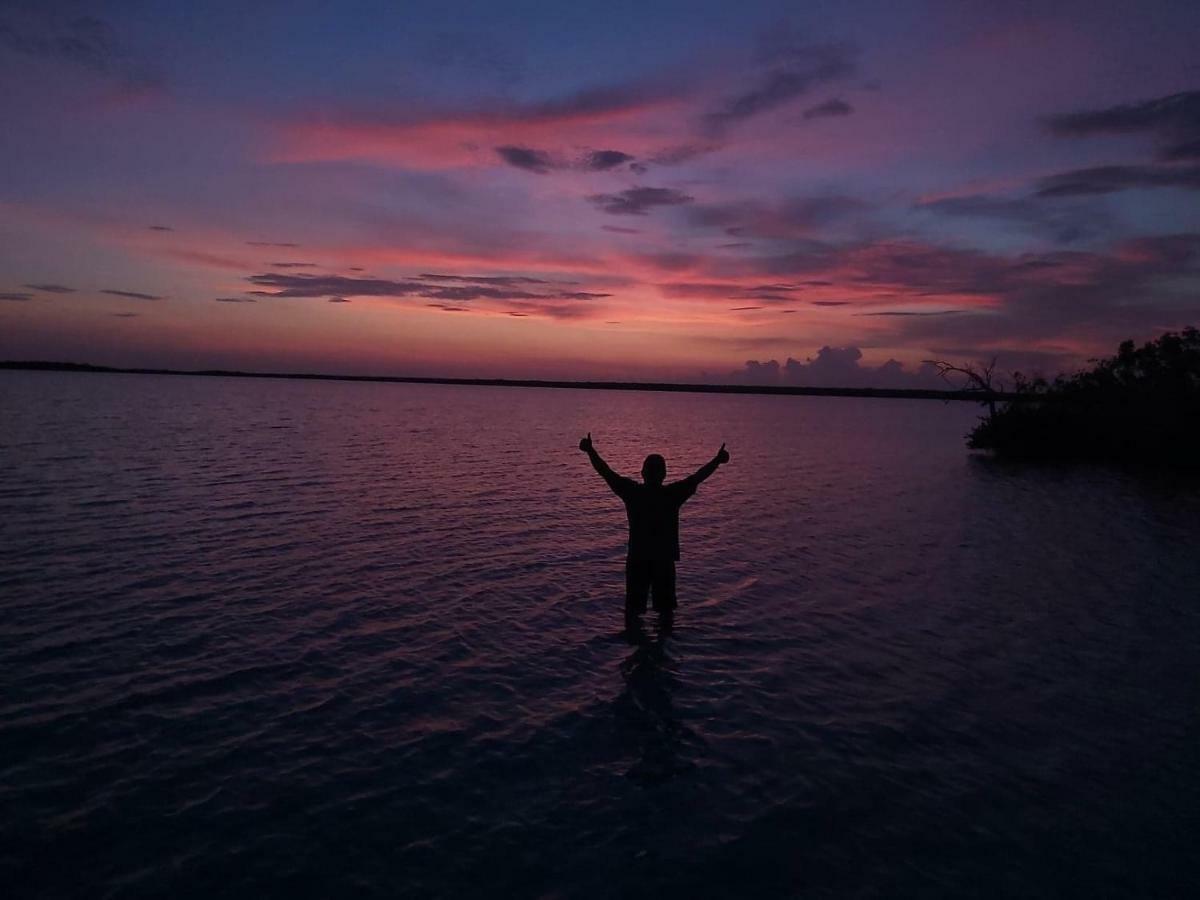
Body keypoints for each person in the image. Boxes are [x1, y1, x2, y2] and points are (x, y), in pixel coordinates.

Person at [579, 433, 729, 626]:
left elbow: (606, 472)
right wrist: (717, 460)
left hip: (638, 559)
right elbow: (697, 477)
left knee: (633, 613)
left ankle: (637, 647)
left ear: (642, 473)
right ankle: (663, 650)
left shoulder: (632, 493)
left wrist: (591, 451)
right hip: (663, 560)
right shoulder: (672, 495)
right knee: (666, 614)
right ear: (664, 474)